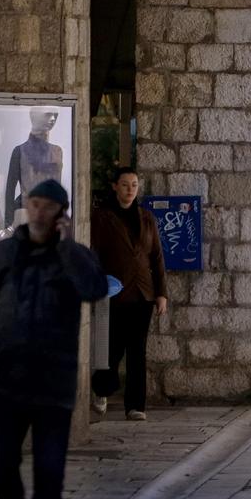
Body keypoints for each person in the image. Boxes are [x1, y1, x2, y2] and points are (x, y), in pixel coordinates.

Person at [0, 179, 108, 499]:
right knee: (0, 466)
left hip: (53, 384)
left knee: (49, 473)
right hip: (5, 379)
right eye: (34, 205)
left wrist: (66, 247)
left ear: (61, 213)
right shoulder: (4, 253)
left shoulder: (74, 257)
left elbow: (94, 289)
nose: (39, 213)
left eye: (47, 206)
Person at [89, 167, 167, 421]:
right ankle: (101, 388)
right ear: (115, 186)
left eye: (134, 184)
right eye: (125, 184)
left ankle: (136, 405)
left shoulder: (146, 217)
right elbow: (94, 253)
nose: (130, 189)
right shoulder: (102, 217)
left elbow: (157, 257)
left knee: (137, 350)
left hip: (143, 293)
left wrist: (161, 293)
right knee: (113, 348)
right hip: (114, 292)